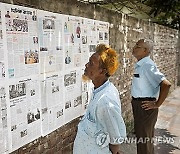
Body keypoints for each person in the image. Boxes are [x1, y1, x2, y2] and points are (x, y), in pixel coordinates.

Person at [73, 44, 126, 154]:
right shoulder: (99, 90)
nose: (86, 65)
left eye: (91, 64)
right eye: (88, 62)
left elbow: (115, 139)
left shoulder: (106, 101)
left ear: (102, 71)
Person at [131, 39, 171, 154]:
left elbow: (166, 84)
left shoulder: (147, 65)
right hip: (140, 105)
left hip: (145, 106)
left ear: (145, 50)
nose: (134, 47)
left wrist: (157, 104)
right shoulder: (141, 64)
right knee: (144, 139)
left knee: (144, 141)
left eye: (137, 46)